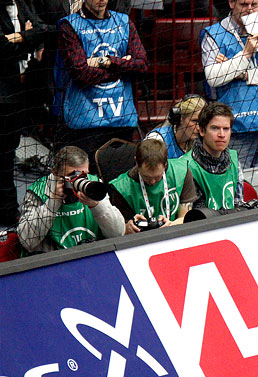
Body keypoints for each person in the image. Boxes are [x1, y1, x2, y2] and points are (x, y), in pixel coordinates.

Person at [201, 0, 258, 195]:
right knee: (239, 182)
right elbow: (214, 78)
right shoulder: (213, 34)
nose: (250, 9)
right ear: (231, 3)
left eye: (254, 4)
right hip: (238, 125)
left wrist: (241, 72)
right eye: (244, 4)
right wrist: (246, 52)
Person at [56, 0, 148, 172]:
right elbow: (81, 73)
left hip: (121, 118)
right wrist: (122, 65)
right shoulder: (69, 25)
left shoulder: (124, 22)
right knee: (88, 181)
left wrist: (106, 61)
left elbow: (141, 65)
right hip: (86, 123)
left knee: (121, 181)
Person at [17, 146, 124, 254]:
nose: (79, 180)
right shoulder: (38, 191)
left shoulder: (94, 185)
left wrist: (96, 205)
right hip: (54, 261)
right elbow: (27, 242)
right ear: (55, 173)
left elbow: (118, 234)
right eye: (72, 175)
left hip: (92, 255)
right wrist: (52, 203)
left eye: (84, 175)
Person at [0, 0, 50, 228]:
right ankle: (9, 212)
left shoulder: (23, 2)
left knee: (7, 155)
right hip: (2, 95)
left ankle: (8, 212)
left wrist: (17, 38)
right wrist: (26, 36)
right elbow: (1, 49)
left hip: (19, 93)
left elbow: (43, 30)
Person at [109, 138, 196, 234]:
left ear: (165, 163)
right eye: (147, 177)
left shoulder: (182, 172)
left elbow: (184, 218)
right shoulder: (121, 189)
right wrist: (127, 227)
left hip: (176, 234)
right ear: (137, 162)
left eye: (158, 177)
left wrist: (171, 225)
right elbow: (117, 231)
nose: (153, 181)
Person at [180, 102, 244, 210]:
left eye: (226, 129)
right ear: (201, 131)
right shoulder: (185, 166)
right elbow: (188, 218)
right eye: (215, 128)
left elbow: (239, 205)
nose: (221, 135)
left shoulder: (234, 160)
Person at [144, 94, 207, 159]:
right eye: (194, 121)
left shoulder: (199, 143)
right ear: (180, 118)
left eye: (202, 122)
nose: (199, 128)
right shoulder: (157, 139)